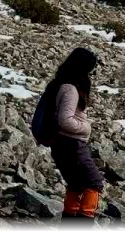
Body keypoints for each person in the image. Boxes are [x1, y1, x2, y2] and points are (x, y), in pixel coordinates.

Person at [45, 47, 105, 222]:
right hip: (72, 144)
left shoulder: (59, 84)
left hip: (61, 144)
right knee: (94, 182)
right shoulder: (71, 89)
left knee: (76, 184)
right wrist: (85, 127)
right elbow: (65, 120)